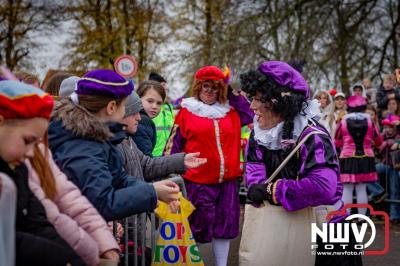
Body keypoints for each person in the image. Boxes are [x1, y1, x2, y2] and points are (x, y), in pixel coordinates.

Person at [238, 61, 356, 266]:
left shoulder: (313, 137)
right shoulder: (258, 136)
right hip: (281, 225)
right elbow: (255, 172)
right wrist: (258, 187)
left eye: (258, 99)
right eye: (252, 98)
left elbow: (323, 188)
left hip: (327, 233)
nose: (252, 106)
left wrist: (272, 191)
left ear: (279, 103)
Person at [0, 80, 119, 265]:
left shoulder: (18, 167)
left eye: (37, 143)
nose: (31, 153)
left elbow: (39, 220)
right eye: (27, 140)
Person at [48, 69, 180, 222]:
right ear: (111, 107)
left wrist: (153, 191)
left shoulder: (97, 136)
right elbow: (102, 202)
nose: (128, 112)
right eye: (124, 105)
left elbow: (119, 178)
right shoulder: (81, 144)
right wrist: (151, 192)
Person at [165, 65, 253, 266]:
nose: (210, 91)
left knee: (225, 227)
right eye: (206, 86)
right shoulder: (186, 113)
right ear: (198, 87)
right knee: (197, 227)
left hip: (228, 183)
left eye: (215, 87)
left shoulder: (231, 112)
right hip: (197, 182)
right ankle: (193, 263)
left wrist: (230, 91)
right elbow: (173, 147)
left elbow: (250, 113)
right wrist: (171, 177)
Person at [335, 95, 383, 217]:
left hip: (347, 157)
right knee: (362, 189)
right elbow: (379, 141)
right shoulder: (370, 121)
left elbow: (337, 142)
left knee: (347, 189)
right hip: (366, 157)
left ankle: (346, 217)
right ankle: (362, 218)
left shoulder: (343, 121)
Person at [133, 80, 165, 156]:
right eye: (150, 101)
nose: (155, 107)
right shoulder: (143, 121)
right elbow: (145, 158)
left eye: (159, 103)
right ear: (138, 98)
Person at [148, 72, 176, 157]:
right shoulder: (146, 106)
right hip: (151, 156)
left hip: (167, 155)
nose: (165, 89)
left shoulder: (169, 107)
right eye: (163, 86)